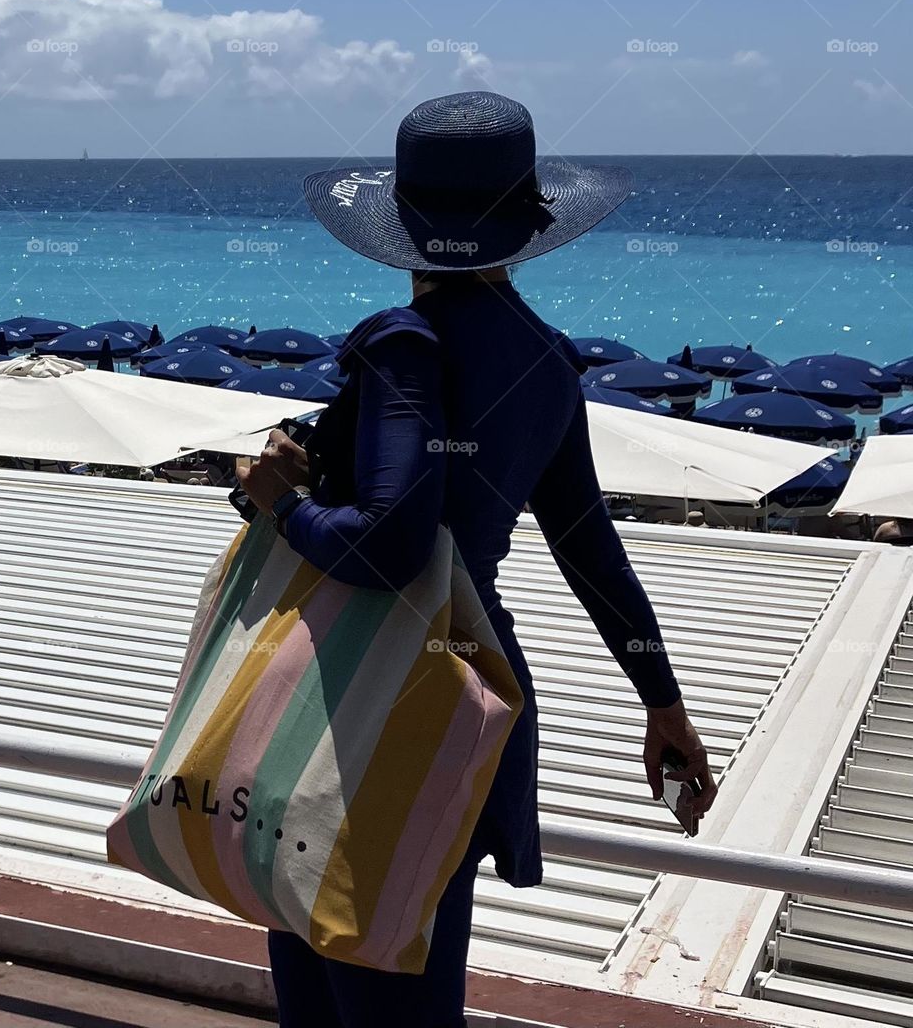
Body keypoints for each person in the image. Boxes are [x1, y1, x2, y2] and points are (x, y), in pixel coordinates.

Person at [236, 91, 717, 1028]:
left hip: (352, 690)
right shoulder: (546, 361)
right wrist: (663, 704)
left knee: (328, 975)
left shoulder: (399, 345)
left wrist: (282, 503)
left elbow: (386, 545)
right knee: (417, 955)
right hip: (466, 686)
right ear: (531, 220)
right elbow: (589, 547)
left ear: (403, 221)